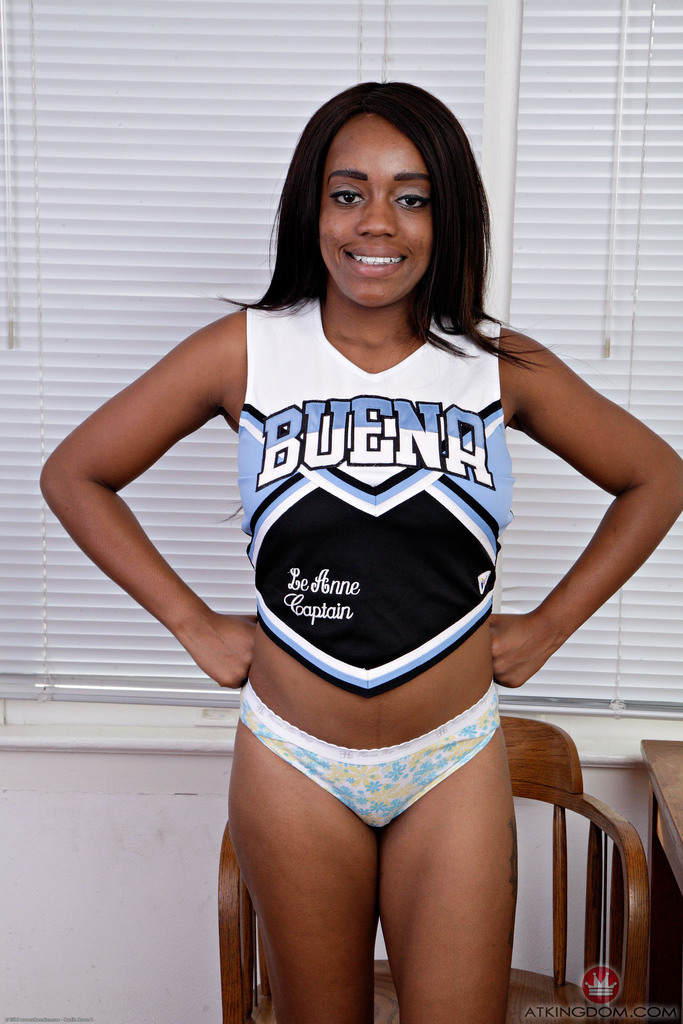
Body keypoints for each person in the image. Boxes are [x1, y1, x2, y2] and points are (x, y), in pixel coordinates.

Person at [40, 81, 683, 1024]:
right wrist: (191, 624)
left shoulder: (494, 363)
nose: (376, 221)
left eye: (410, 196)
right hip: (293, 758)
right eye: (348, 193)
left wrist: (549, 627)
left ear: (445, 217)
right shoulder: (245, 351)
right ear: (312, 208)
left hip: (450, 756)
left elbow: (655, 476)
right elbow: (76, 473)